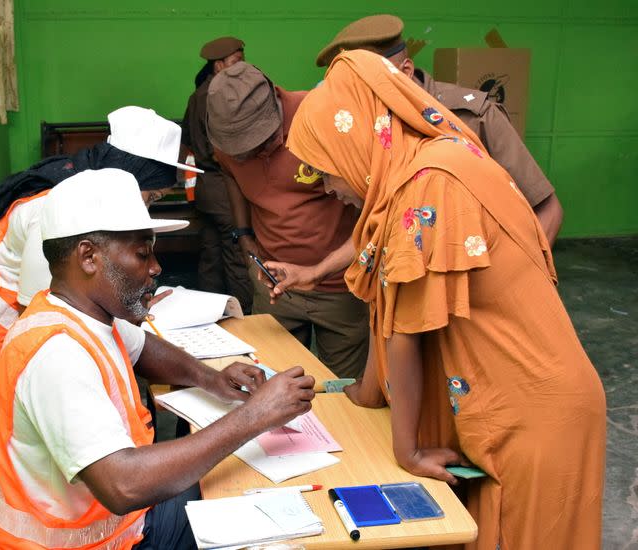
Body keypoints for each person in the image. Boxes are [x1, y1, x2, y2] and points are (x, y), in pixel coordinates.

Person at [285, 49, 605, 549]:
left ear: (354, 143)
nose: (327, 189)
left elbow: (409, 331)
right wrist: (365, 398)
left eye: (324, 170)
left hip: (535, 414)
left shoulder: (432, 182)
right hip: (501, 406)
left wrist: (406, 451)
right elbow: (386, 304)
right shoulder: (412, 176)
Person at [0, 169, 315, 549]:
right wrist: (253, 417)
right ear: (88, 257)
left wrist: (211, 378)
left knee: (246, 492)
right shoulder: (57, 355)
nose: (155, 268)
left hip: (119, 526)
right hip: (88, 542)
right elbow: (123, 484)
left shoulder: (86, 314)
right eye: (142, 253)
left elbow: (145, 348)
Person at [0, 106, 199, 424]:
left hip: (2, 337)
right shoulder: (56, 213)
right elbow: (40, 322)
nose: (146, 209)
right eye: (151, 198)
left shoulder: (89, 200)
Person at [316, 14, 563, 245]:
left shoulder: (473, 117)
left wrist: (513, 280)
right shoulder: (368, 127)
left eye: (366, 86)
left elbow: (548, 211)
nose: (357, 99)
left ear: (405, 72)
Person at [205, 61, 369, 380]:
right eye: (242, 153)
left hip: (341, 286)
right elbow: (229, 175)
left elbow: (374, 209)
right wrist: (244, 235)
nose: (253, 155)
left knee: (345, 393)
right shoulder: (227, 131)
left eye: (261, 143)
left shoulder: (323, 116)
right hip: (273, 283)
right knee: (272, 391)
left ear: (277, 106)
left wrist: (324, 270)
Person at [181, 36, 253, 312]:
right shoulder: (222, 95)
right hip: (225, 189)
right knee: (236, 256)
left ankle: (208, 314)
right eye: (236, 62)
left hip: (204, 189)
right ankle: (245, 318)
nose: (242, 67)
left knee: (211, 256)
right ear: (219, 65)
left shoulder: (198, 94)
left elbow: (186, 139)